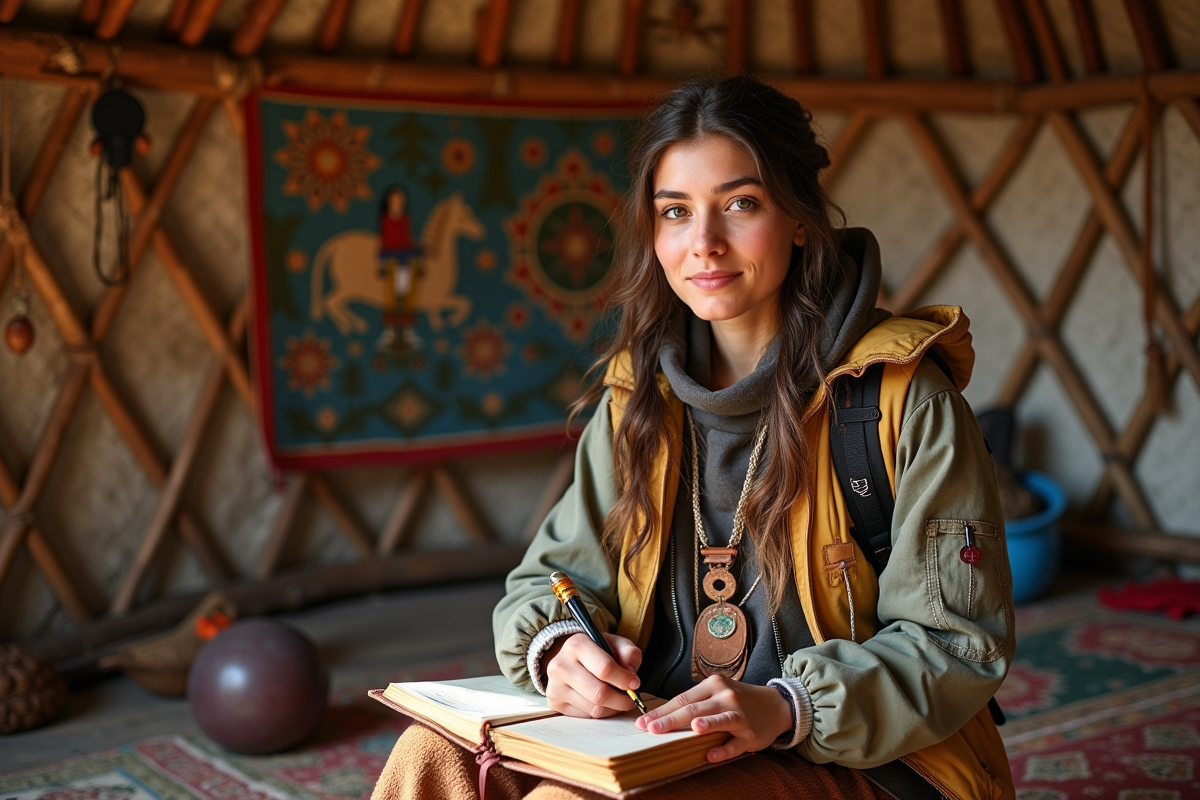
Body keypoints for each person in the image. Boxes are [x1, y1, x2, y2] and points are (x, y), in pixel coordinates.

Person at [371, 75, 1014, 800]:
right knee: (430, 758)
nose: (704, 244)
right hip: (657, 732)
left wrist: (787, 706)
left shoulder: (899, 401)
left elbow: (957, 641)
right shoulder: (635, 399)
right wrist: (561, 650)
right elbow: (553, 579)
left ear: (801, 217)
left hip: (854, 761)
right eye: (675, 212)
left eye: (741, 204)